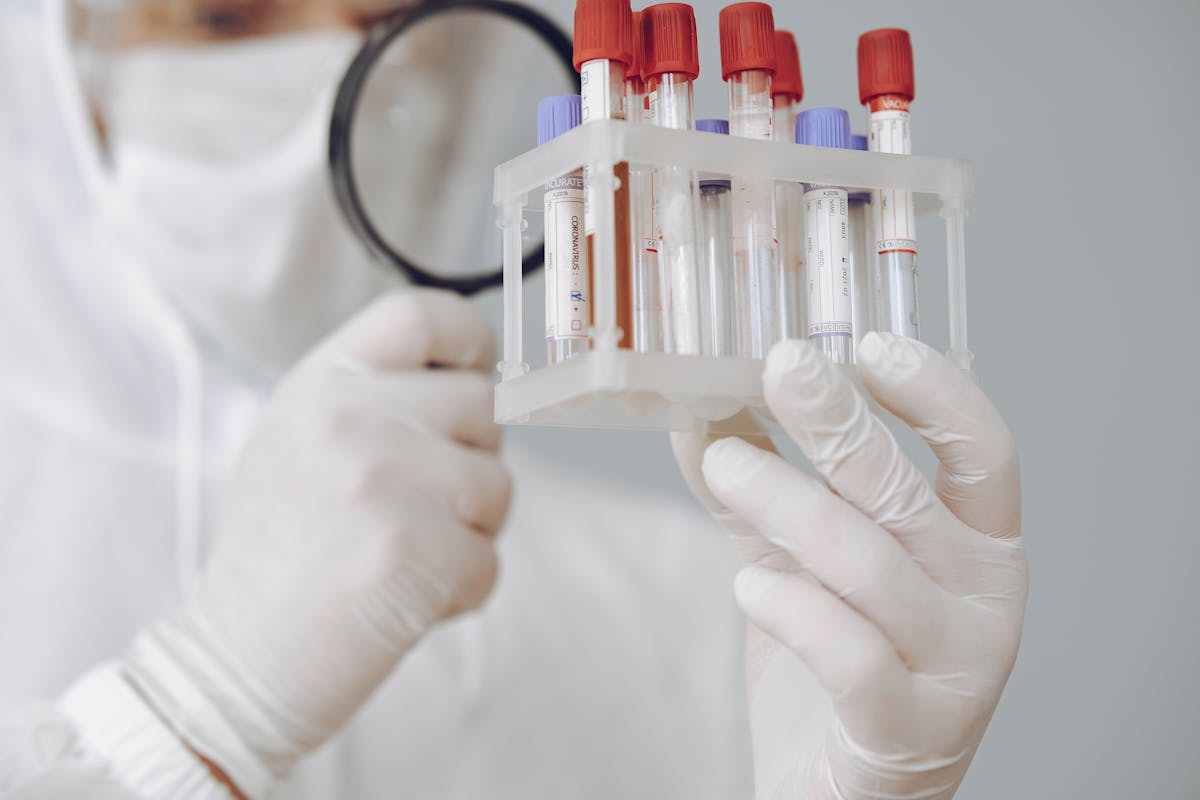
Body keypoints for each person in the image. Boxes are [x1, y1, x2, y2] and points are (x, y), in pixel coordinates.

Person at [0, 0, 1027, 797]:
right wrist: (188, 713)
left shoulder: (701, 601)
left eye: (390, 26)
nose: (330, 80)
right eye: (225, 14)